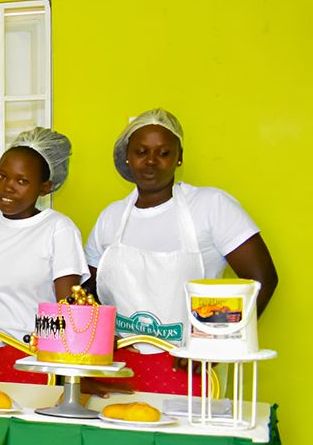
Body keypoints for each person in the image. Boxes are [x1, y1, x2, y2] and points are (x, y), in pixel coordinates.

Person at [86, 108, 276, 347]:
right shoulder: (110, 218)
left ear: (179, 157)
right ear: (127, 156)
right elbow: (87, 290)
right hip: (122, 364)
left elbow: (261, 279)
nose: (151, 161)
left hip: (192, 361)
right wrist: (101, 338)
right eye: (141, 152)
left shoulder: (211, 206)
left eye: (164, 153)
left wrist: (216, 346)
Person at [0, 128, 88, 342]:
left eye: (21, 181)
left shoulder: (58, 229)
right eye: (2, 176)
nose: (7, 187)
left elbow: (66, 309)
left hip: (32, 351)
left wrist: (41, 351)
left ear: (45, 188)